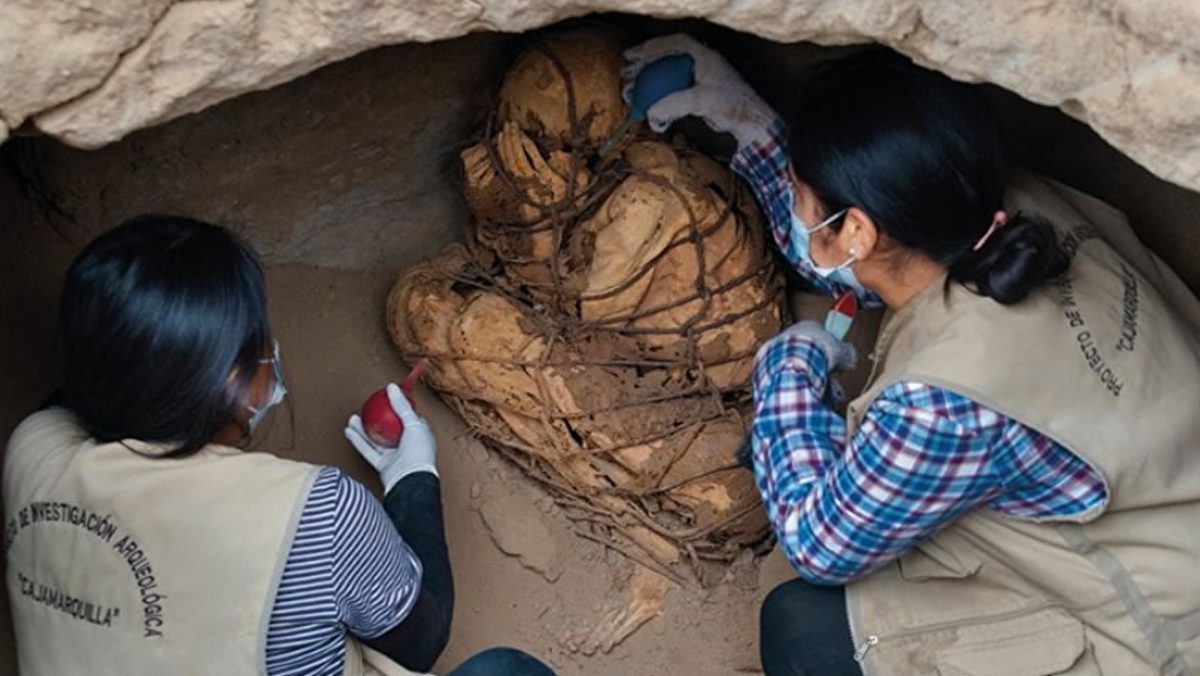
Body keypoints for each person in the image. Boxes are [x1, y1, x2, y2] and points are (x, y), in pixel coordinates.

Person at [622, 36, 1200, 675]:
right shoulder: (1004, 207)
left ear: (859, 230)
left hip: (1161, 627)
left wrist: (783, 375)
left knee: (803, 630)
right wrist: (753, 133)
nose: (795, 206)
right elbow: (873, 260)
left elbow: (819, 542)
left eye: (800, 194)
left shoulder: (943, 403)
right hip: (1166, 496)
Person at [2, 216, 555, 676]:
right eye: (257, 342)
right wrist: (412, 477)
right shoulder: (317, 514)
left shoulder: (31, 447)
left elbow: (76, 396)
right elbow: (422, 638)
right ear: (229, 385)